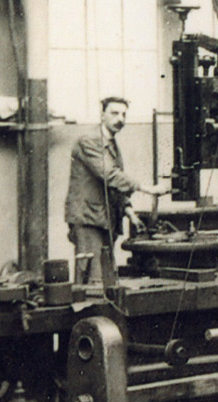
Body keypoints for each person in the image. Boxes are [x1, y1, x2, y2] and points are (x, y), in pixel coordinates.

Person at [65, 96, 167, 287]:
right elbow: (110, 175)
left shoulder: (111, 143)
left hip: (104, 218)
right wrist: (149, 189)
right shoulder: (89, 141)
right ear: (102, 115)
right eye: (114, 113)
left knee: (107, 278)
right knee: (93, 280)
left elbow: (114, 185)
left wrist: (129, 212)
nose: (120, 119)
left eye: (123, 114)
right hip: (88, 219)